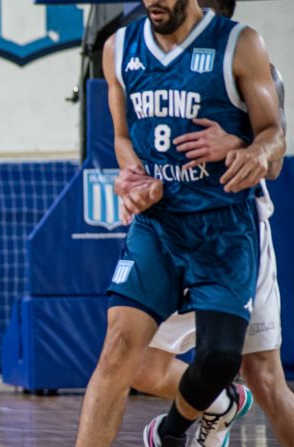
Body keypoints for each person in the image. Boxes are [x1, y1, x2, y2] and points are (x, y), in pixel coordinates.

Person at [75, 0, 286, 445]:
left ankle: (173, 429)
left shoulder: (240, 44)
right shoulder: (119, 48)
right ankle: (199, 416)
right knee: (119, 352)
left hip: (225, 225)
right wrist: (132, 177)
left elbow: (274, 140)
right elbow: (122, 137)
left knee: (232, 364)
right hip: (159, 225)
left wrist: (248, 149)